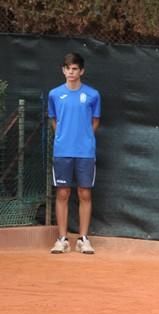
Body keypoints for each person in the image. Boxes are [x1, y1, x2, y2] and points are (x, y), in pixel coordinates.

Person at [48, 53, 101, 254]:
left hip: (85, 152)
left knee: (84, 193)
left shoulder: (93, 95)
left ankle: (83, 239)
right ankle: (62, 239)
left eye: (75, 69)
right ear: (63, 70)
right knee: (62, 193)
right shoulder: (54, 94)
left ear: (81, 71)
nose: (71, 72)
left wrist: (84, 138)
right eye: (68, 68)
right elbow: (54, 120)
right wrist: (63, 137)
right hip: (62, 151)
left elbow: (94, 121)